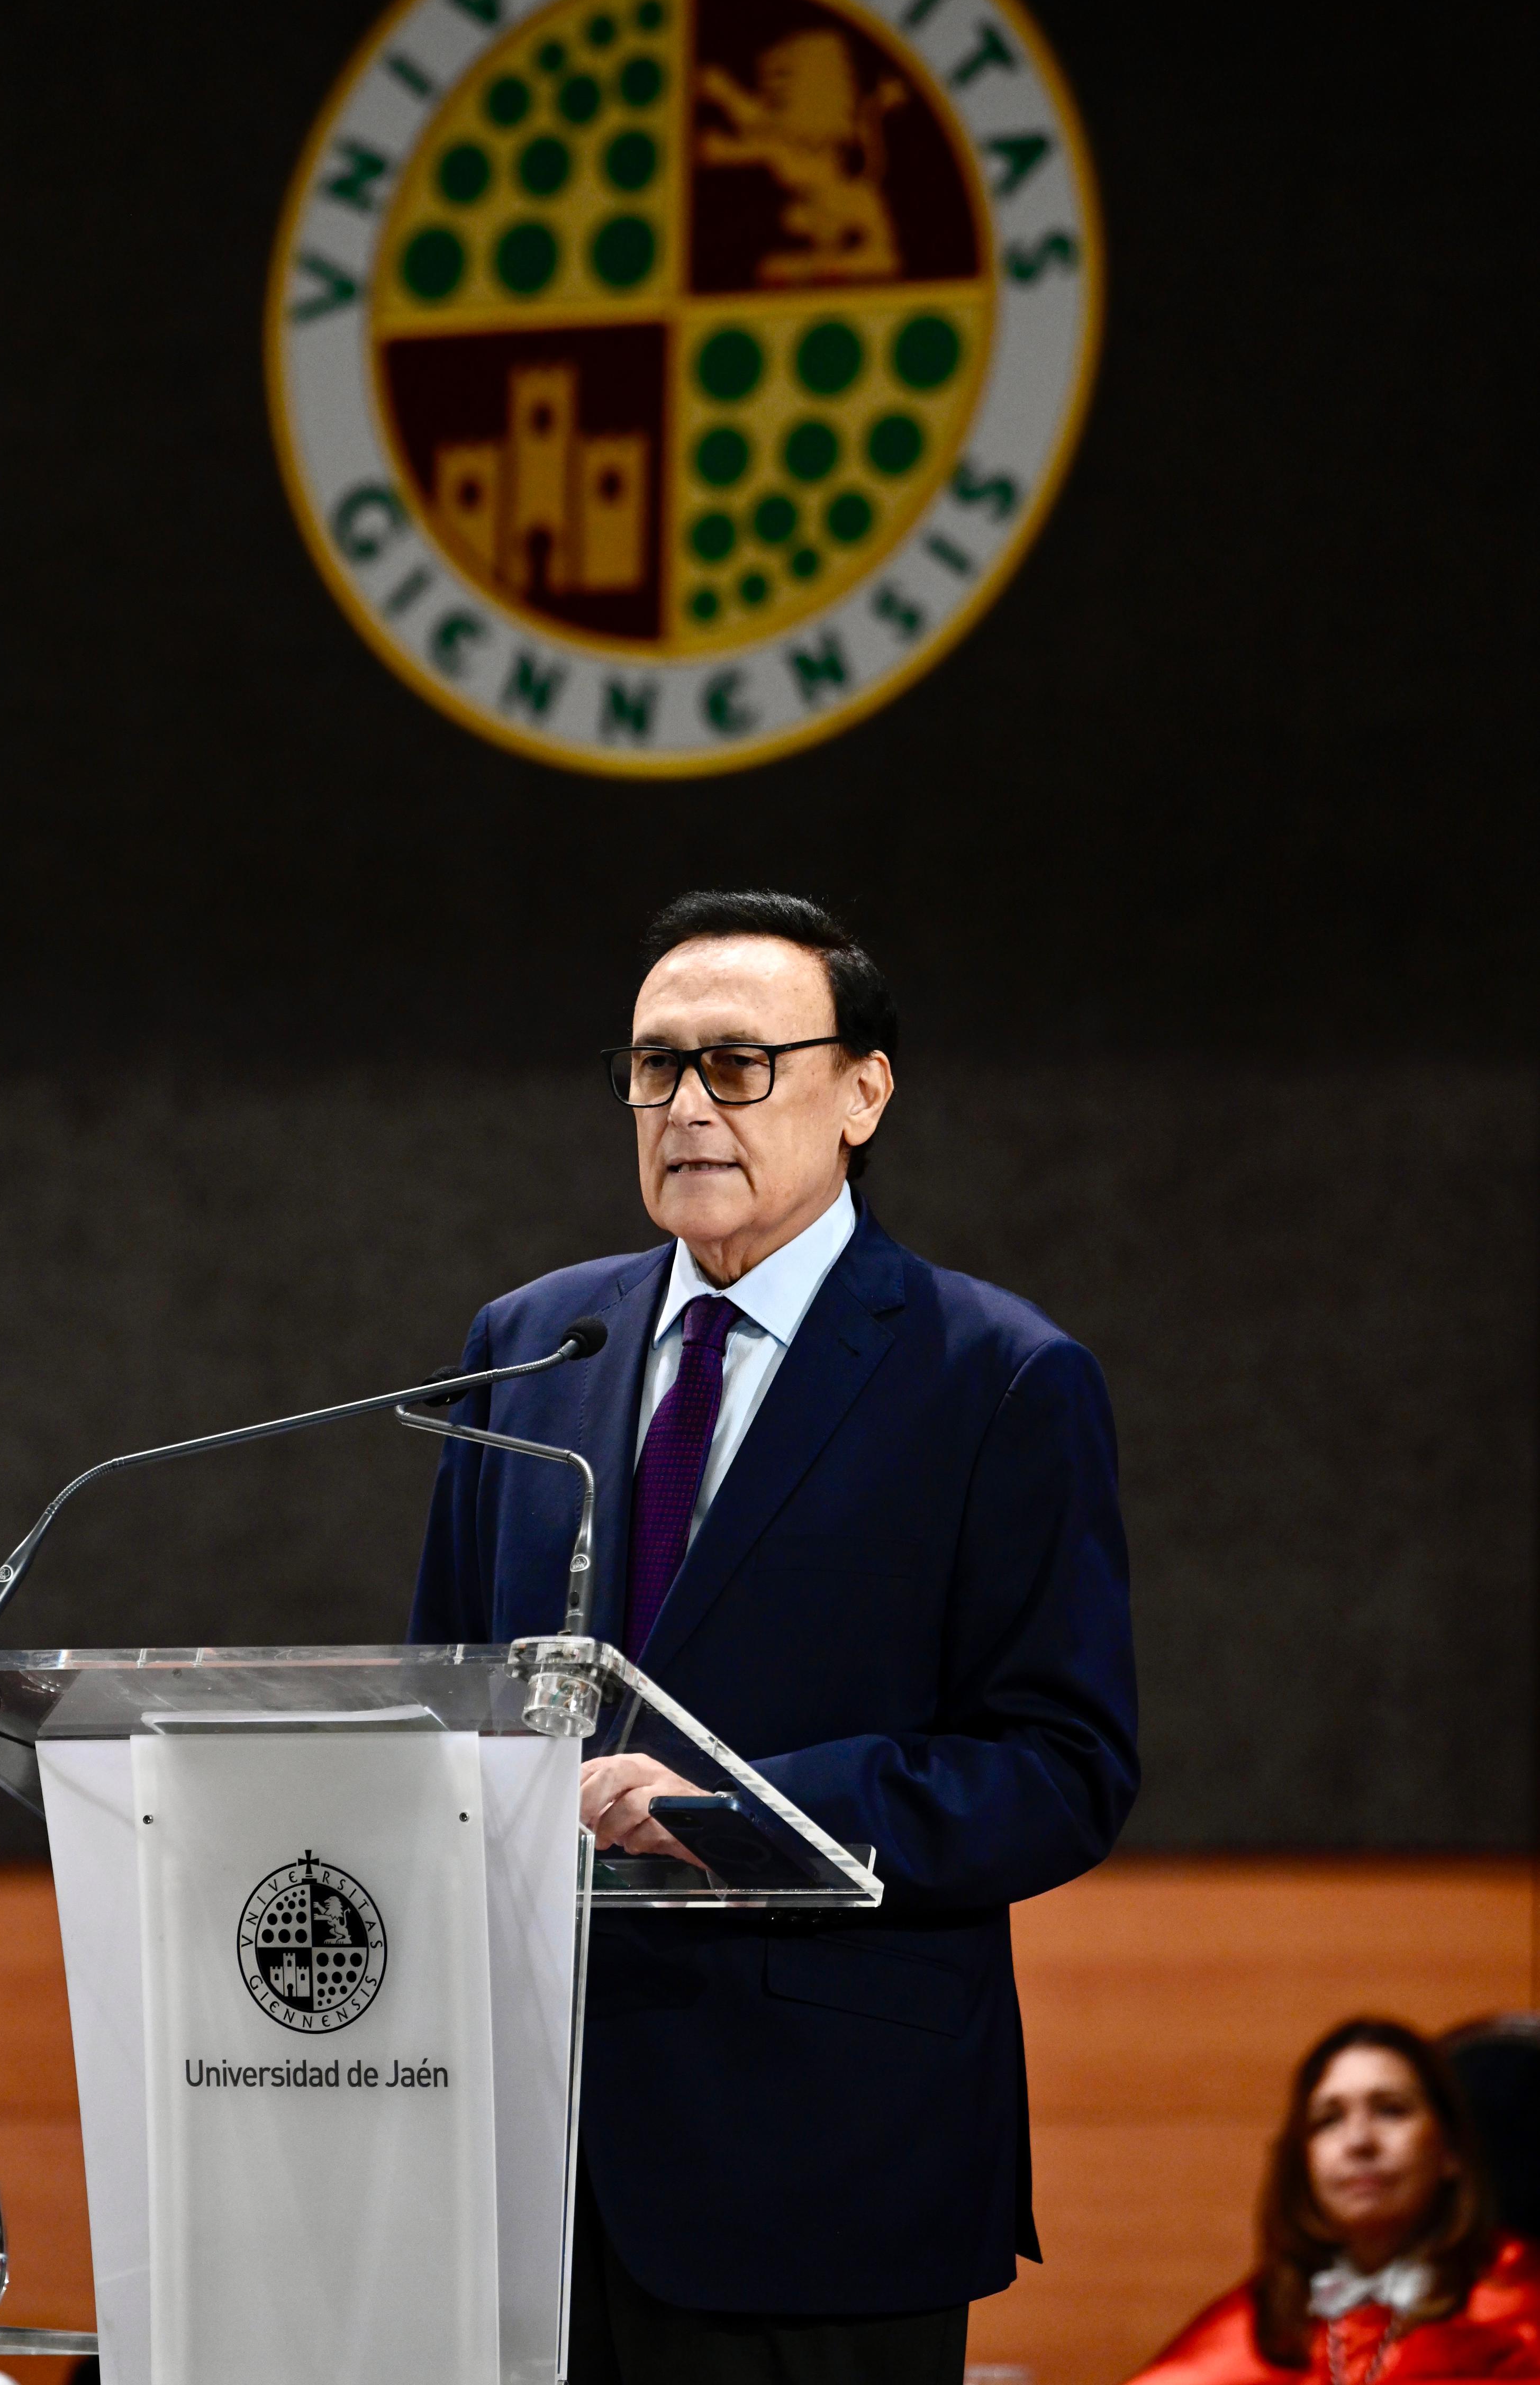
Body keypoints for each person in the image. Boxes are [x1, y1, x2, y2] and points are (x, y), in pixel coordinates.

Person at [410, 888, 1139, 2384]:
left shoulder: (994, 1378)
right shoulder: (534, 1347)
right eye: (652, 1066)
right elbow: (442, 1696)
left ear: (861, 1090)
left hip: (819, 2164)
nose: (683, 1106)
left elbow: (1059, 1769)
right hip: (520, 2158)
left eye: (735, 1066)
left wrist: (734, 1816)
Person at [1128, 2017, 1540, 2379]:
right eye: (1329, 2119)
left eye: (1391, 2110)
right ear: (1304, 2161)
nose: (1358, 2141)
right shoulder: (1257, 2324)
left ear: (1450, 2151)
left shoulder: (1519, 2309)